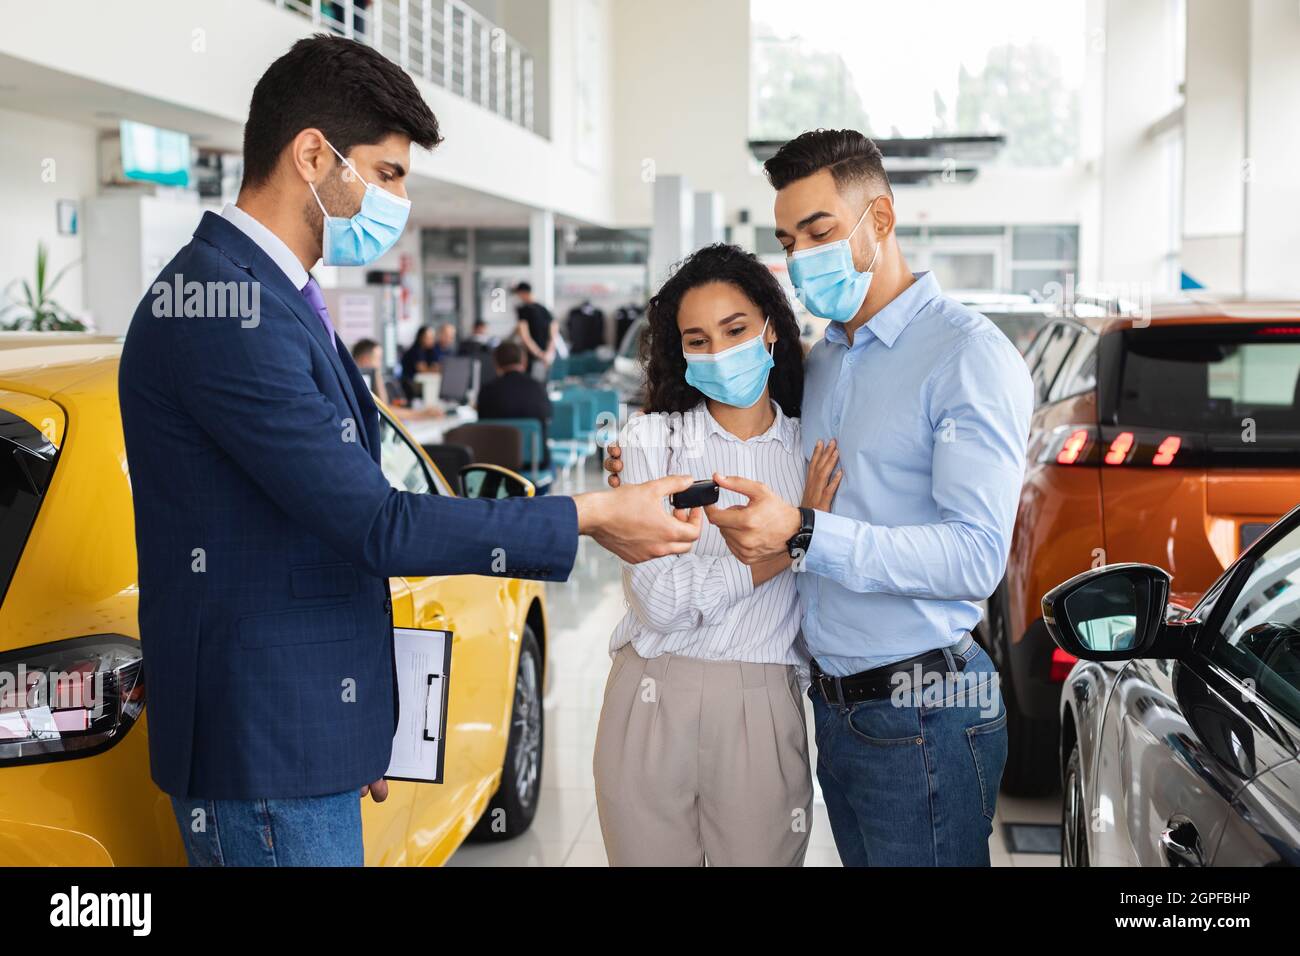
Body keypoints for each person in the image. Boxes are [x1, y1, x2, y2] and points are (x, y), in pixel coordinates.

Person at [118, 34, 700, 869]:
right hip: (265, 746)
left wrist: (350, 721)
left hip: (298, 732)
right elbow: (375, 521)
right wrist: (592, 513)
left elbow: (305, 525)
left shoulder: (272, 298)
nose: (398, 201)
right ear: (313, 155)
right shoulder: (221, 307)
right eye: (386, 174)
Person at [606, 130, 1033, 867]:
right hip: (833, 709)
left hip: (922, 703)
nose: (802, 256)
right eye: (787, 238)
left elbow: (975, 556)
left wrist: (804, 531)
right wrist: (644, 454)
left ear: (882, 220)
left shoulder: (967, 355)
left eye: (819, 231)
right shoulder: (827, 359)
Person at [594, 243, 840, 867]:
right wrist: (795, 533)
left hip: (763, 699)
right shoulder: (650, 441)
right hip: (651, 697)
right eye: (697, 339)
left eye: (735, 330)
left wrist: (799, 527)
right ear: (680, 352)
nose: (719, 351)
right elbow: (662, 604)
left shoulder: (810, 448)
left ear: (770, 329)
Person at [475, 340, 554, 469]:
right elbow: (548, 418)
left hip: (497, 466)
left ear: (496, 363)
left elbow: (482, 424)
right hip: (535, 465)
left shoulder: (486, 391)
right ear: (524, 362)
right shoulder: (538, 388)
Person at [351, 337, 440, 421]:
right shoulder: (355, 383)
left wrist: (422, 413)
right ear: (365, 359)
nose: (380, 364)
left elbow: (385, 407)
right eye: (378, 359)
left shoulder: (366, 379)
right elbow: (385, 411)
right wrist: (421, 415)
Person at [512, 281, 558, 379]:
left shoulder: (523, 310)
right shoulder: (543, 309)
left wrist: (539, 354)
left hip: (532, 356)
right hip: (546, 356)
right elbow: (554, 333)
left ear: (522, 293)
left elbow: (524, 336)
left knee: (531, 384)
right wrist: (548, 354)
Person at [399, 324, 438, 400]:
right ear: (421, 338)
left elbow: (436, 366)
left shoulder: (430, 351)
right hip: (409, 386)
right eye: (428, 338)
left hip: (421, 385)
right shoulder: (415, 350)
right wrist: (432, 369)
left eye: (432, 338)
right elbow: (422, 370)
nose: (431, 340)